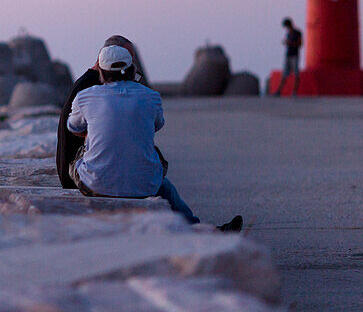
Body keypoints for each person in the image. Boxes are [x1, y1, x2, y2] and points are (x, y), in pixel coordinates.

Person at [66, 44, 242, 232]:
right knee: (161, 177)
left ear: (100, 71)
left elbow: (74, 128)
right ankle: (202, 230)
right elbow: (156, 125)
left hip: (95, 185)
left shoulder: (84, 97)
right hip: (145, 186)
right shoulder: (151, 96)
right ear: (132, 69)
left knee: (78, 157)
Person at [56, 34, 149, 189]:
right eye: (128, 57)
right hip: (79, 175)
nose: (131, 62)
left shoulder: (87, 83)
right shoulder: (93, 89)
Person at [274, 18, 303, 96]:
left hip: (295, 55)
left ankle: (294, 92)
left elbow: (300, 44)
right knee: (284, 74)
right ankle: (279, 91)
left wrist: (290, 43)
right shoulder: (288, 34)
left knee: (296, 74)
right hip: (288, 55)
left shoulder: (297, 33)